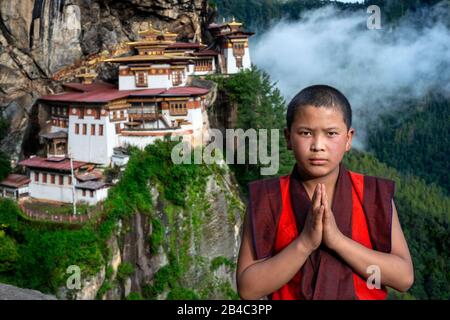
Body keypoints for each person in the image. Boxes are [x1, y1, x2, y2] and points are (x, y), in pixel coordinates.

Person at [236, 85, 414, 300]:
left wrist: (338, 241)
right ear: (288, 138)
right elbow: (248, 289)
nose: (318, 145)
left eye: (331, 134)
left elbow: (403, 278)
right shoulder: (267, 198)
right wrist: (305, 243)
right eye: (305, 133)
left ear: (348, 139)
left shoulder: (372, 195)